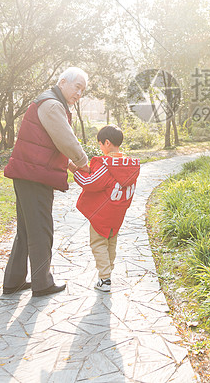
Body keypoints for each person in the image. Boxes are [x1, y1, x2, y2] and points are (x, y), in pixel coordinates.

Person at [2, 67, 90, 297]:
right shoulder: (52, 104)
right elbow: (65, 139)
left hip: (27, 173)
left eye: (83, 90)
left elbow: (48, 141)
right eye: (77, 87)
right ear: (62, 82)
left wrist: (69, 165)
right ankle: (42, 283)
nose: (79, 93)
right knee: (41, 229)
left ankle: (13, 281)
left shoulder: (48, 102)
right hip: (34, 175)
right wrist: (82, 161)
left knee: (26, 229)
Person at [69, 125, 140, 293]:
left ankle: (105, 278)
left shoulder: (106, 165)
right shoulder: (128, 164)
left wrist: (74, 170)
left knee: (98, 243)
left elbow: (90, 182)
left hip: (102, 214)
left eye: (100, 144)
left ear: (107, 143)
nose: (100, 148)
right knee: (111, 243)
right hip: (118, 213)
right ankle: (108, 273)